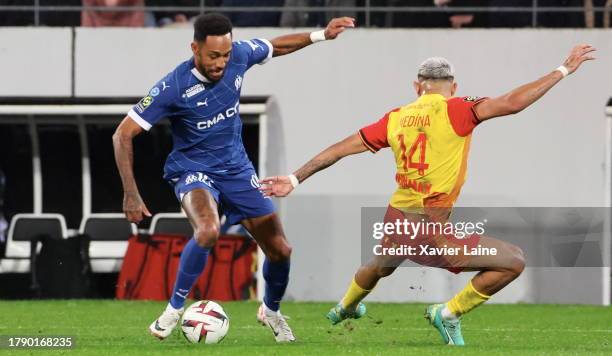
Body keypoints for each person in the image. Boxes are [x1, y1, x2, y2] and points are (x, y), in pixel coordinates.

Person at [260, 44, 595, 346]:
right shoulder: (458, 110)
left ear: (417, 87)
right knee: (513, 261)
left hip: (397, 217)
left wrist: (294, 177)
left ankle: (344, 307)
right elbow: (512, 104)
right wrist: (562, 70)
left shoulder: (395, 118)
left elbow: (338, 150)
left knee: (380, 264)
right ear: (454, 87)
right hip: (429, 227)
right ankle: (447, 314)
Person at [112, 13, 354, 342]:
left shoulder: (238, 55)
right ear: (194, 48)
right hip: (192, 170)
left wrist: (321, 35)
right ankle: (173, 309)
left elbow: (276, 46)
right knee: (209, 230)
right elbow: (122, 135)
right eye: (213, 56)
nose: (221, 63)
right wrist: (131, 193)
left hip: (237, 171)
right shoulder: (173, 86)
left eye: (225, 55)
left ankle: (271, 310)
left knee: (281, 250)